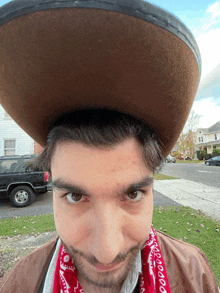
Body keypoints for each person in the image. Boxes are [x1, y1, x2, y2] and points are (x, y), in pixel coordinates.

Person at [0, 0, 218, 292]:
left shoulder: (194, 275)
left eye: (133, 193)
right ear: (51, 184)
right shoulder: (18, 284)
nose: (106, 250)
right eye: (75, 196)